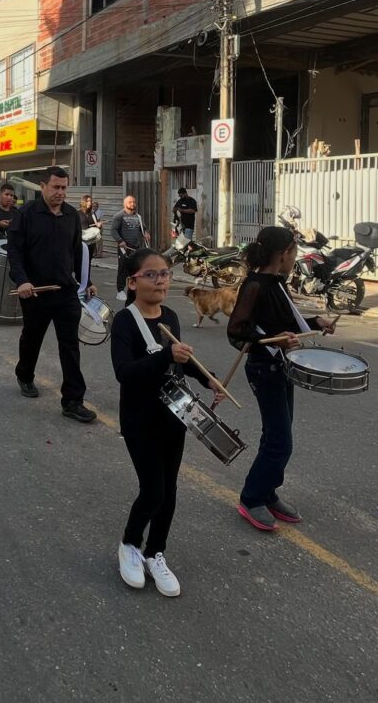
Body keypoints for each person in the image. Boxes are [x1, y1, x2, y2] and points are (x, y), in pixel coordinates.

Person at [110, 248, 223, 596]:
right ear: (133, 282)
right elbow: (124, 372)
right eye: (151, 274)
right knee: (153, 489)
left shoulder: (170, 316)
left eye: (165, 274)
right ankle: (130, 544)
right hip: (139, 420)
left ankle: (155, 552)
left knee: (169, 490)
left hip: (174, 417)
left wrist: (208, 379)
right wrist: (164, 356)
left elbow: (180, 362)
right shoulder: (125, 321)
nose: (161, 281)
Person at [227, 226, 335, 532]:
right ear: (284, 253)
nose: (295, 257)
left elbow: (286, 324)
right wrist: (275, 340)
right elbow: (237, 330)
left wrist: (317, 322)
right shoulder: (255, 285)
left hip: (281, 367)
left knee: (277, 435)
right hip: (264, 369)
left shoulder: (277, 283)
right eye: (294, 251)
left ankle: (268, 492)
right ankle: (251, 498)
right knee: (280, 442)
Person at [7, 166, 97, 423]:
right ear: (43, 187)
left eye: (64, 188)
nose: (60, 192)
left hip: (65, 291)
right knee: (32, 338)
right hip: (35, 291)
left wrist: (87, 281)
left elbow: (77, 252)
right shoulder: (26, 214)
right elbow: (14, 252)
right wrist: (22, 281)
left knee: (70, 346)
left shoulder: (71, 215)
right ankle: (25, 375)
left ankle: (73, 400)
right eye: (56, 187)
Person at [111, 195, 149, 302]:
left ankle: (133, 289)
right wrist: (120, 241)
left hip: (136, 247)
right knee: (123, 268)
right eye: (130, 202)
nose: (132, 204)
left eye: (134, 202)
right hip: (124, 247)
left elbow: (143, 228)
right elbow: (113, 230)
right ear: (125, 204)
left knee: (135, 269)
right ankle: (120, 291)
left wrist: (146, 233)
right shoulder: (119, 216)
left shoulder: (138, 217)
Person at [78, 194, 102, 268]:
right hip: (82, 242)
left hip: (91, 242)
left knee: (88, 262)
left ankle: (87, 275)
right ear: (83, 202)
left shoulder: (92, 214)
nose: (89, 203)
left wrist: (99, 226)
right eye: (87, 201)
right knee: (80, 262)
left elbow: (96, 227)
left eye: (90, 201)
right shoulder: (78, 213)